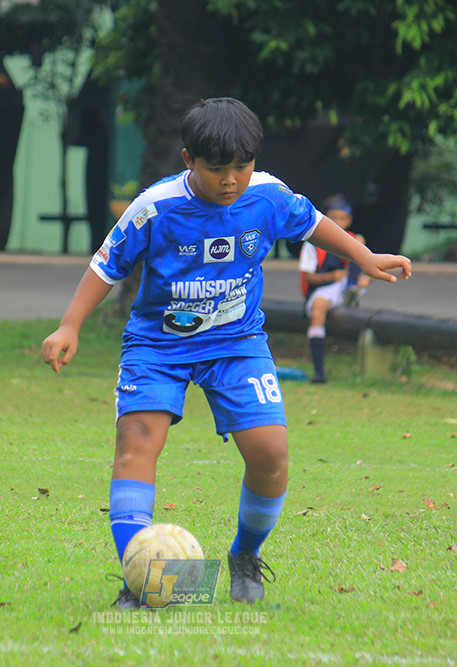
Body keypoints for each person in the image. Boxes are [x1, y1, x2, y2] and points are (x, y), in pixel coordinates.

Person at [41, 97, 412, 608]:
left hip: (236, 343)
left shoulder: (267, 195)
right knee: (135, 442)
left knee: (270, 453)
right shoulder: (155, 206)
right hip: (158, 344)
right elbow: (107, 266)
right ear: (189, 159)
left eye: (242, 166)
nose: (231, 179)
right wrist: (69, 325)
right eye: (217, 169)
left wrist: (364, 257)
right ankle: (145, 580)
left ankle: (244, 557)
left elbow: (312, 222)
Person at [298, 195, 371, 383]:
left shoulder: (354, 240)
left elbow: (365, 269)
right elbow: (309, 277)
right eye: (333, 218)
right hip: (323, 288)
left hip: (346, 284)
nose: (338, 222)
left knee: (359, 246)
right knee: (319, 308)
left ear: (349, 220)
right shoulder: (312, 244)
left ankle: (351, 292)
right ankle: (319, 371)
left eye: (342, 218)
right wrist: (332, 276)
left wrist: (365, 279)